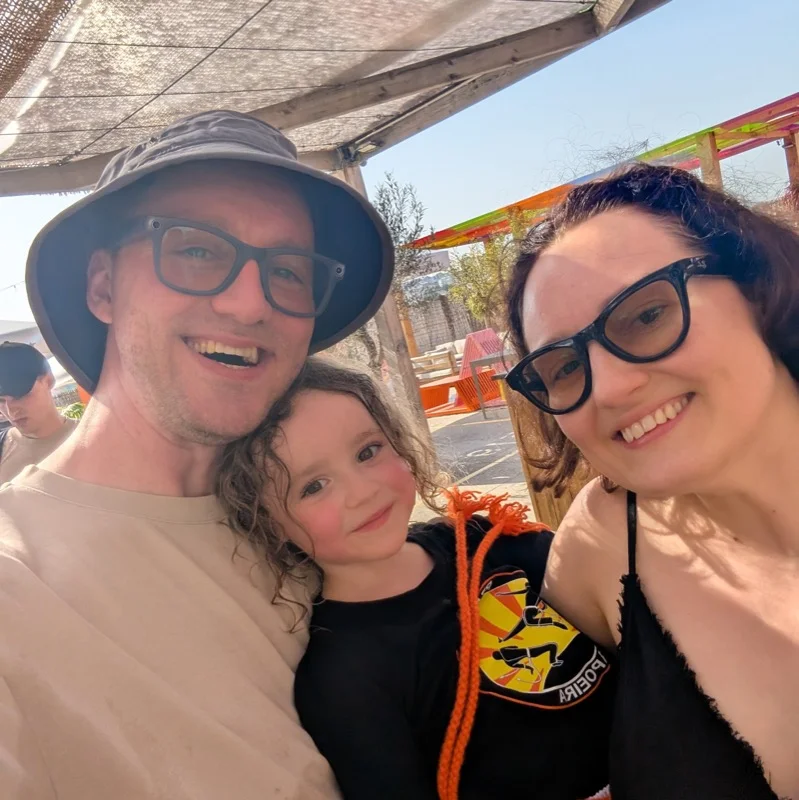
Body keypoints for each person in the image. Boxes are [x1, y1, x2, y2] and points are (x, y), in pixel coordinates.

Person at [0, 110, 394, 799]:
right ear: (102, 287)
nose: (248, 304)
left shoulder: (315, 517)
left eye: (289, 269)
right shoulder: (17, 582)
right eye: (196, 250)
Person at [504, 163, 799, 800]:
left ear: (757, 287)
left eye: (646, 314)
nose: (609, 389)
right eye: (563, 366)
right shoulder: (602, 540)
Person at [217, 357, 616, 800]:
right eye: (314, 486)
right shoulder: (344, 678)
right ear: (268, 525)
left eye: (368, 452)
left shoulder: (485, 538)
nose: (363, 491)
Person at [0, 342, 76, 482]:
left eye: (20, 395)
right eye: (1, 401)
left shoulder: (93, 436)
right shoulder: (3, 446)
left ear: (48, 381)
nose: (11, 411)